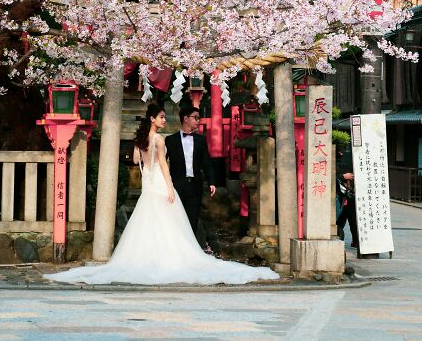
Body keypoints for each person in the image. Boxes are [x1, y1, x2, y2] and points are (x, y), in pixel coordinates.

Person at [45, 104, 279, 285]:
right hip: (158, 183)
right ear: (152, 119)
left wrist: (139, 146)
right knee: (169, 224)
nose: (165, 120)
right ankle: (169, 258)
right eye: (162, 117)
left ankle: (148, 257)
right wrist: (169, 187)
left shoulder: (141, 140)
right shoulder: (159, 139)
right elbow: (164, 165)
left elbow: (137, 161)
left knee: (148, 223)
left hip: (148, 187)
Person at [164, 106, 215, 243]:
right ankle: (174, 247)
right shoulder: (170, 140)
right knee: (175, 218)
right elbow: (162, 162)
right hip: (176, 186)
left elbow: (207, 162)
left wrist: (211, 182)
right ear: (185, 119)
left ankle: (189, 250)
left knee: (192, 219)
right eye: (195, 118)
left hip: (195, 185)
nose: (198, 121)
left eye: (199, 118)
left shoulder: (201, 140)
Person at [336, 172, 358, 248]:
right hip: (341, 201)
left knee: (354, 222)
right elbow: (333, 179)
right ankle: (338, 238)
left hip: (351, 200)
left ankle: (355, 241)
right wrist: (343, 176)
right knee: (339, 222)